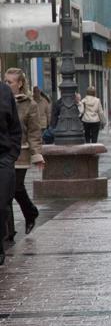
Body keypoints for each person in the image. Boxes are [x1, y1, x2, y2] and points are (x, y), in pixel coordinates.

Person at [4, 67, 44, 239]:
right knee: (5, 191)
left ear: (20, 84)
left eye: (10, 82)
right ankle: (8, 231)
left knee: (15, 188)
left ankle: (30, 212)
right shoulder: (3, 99)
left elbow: (34, 132)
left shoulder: (30, 104)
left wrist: (37, 155)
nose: (6, 84)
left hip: (21, 152)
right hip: (4, 152)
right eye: (4, 81)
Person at [0, 60, 22, 265]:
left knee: (2, 203)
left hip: (3, 157)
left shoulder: (4, 93)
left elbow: (15, 127)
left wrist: (11, 154)